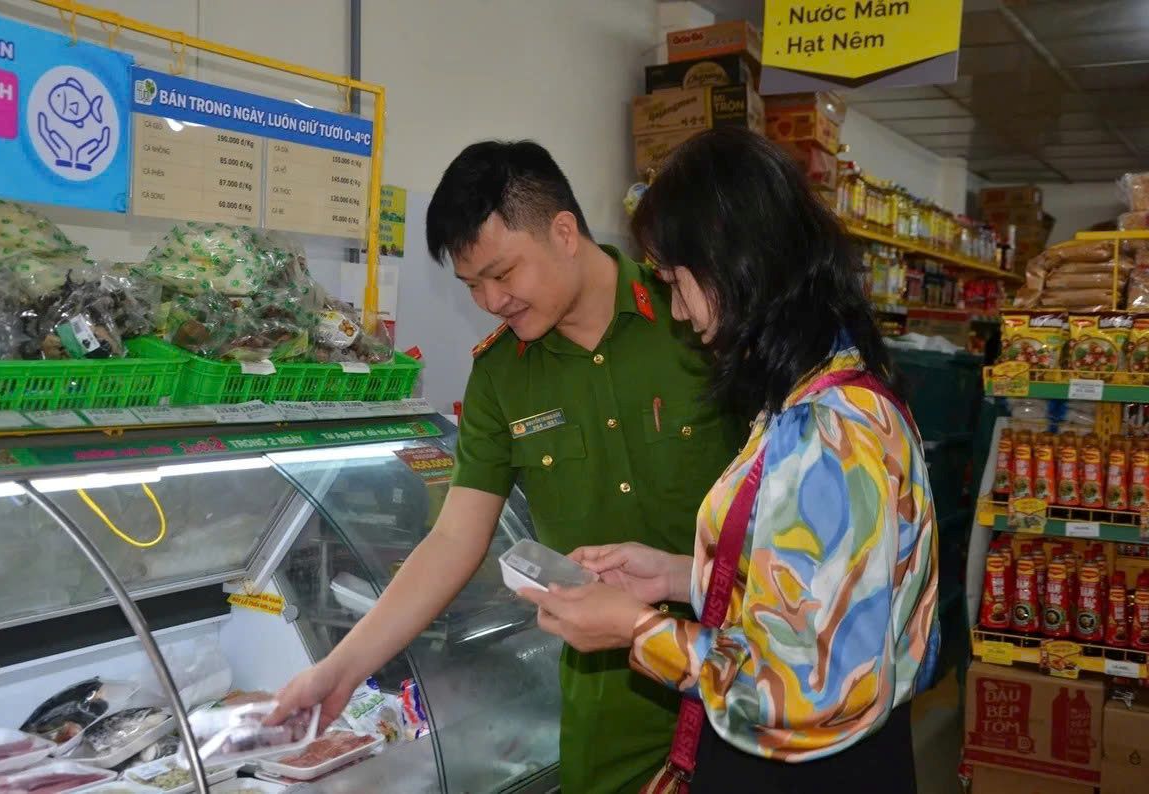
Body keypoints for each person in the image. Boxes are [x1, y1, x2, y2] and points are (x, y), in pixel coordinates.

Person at [269, 140, 744, 794]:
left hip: (736, 684)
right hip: (609, 706)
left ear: (564, 232)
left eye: (503, 273)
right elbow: (454, 540)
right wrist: (341, 669)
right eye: (472, 286)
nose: (491, 300)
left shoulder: (691, 316)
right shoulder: (499, 379)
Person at [521, 127, 939, 794]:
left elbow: (800, 689)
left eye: (677, 283)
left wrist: (637, 628)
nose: (681, 313)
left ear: (734, 263)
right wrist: (682, 578)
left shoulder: (831, 430)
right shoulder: (821, 391)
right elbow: (815, 590)